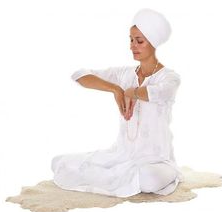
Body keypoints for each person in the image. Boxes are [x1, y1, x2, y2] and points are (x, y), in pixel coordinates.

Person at [51, 8, 182, 198]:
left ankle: (113, 176)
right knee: (59, 162)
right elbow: (80, 75)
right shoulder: (124, 74)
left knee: (148, 179)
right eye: (131, 39)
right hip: (122, 155)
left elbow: (158, 92)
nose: (132, 46)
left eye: (139, 41)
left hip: (157, 162)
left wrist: (132, 92)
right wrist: (116, 89)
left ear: (152, 42)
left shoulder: (170, 77)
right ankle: (116, 175)